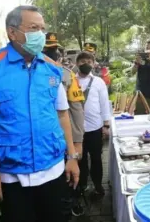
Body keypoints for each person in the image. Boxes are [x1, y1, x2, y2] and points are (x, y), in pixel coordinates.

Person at [0, 5, 79, 222]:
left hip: (53, 169)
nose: (41, 35)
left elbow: (62, 115)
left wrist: (72, 157)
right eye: (34, 28)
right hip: (12, 176)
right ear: (12, 32)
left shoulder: (52, 69)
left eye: (43, 29)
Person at [42, 33, 85, 217]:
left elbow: (76, 110)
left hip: (63, 139)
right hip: (41, 144)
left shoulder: (67, 75)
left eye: (53, 50)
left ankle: (72, 205)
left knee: (66, 184)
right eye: (47, 50)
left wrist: (77, 142)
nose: (50, 53)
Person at [75, 51, 111, 196]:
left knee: (96, 159)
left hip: (95, 128)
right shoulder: (71, 80)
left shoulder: (98, 82)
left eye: (89, 62)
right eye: (82, 61)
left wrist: (106, 125)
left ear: (93, 64)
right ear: (77, 63)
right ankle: (82, 186)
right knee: (80, 160)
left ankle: (98, 186)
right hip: (77, 130)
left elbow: (104, 104)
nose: (86, 64)